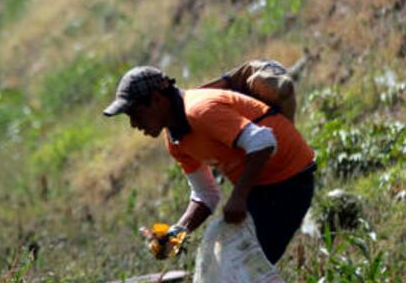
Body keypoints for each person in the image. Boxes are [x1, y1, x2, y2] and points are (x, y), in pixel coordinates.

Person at [102, 65, 315, 265]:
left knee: (242, 272)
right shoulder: (176, 140)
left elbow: (263, 141)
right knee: (223, 272)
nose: (134, 124)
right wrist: (177, 233)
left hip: (290, 181)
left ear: (157, 99)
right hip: (260, 190)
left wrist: (238, 197)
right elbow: (205, 194)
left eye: (136, 114)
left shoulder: (201, 111)